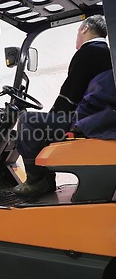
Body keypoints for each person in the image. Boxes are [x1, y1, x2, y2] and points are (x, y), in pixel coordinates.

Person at [13, 14, 112, 196]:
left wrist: (52, 116)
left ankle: (37, 181)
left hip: (87, 121)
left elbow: (69, 96)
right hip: (100, 117)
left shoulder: (89, 52)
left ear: (84, 29)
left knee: (28, 120)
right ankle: (45, 180)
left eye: (78, 32)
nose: (77, 36)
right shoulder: (108, 53)